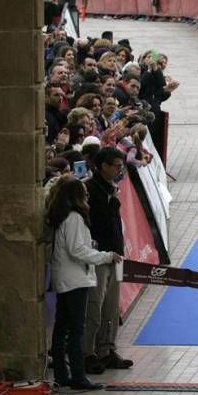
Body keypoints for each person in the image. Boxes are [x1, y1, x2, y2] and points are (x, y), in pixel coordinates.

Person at [47, 175, 122, 390]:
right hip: (75, 280)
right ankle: (78, 376)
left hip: (67, 278)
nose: (87, 195)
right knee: (76, 329)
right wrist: (105, 256)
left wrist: (91, 246)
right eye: (84, 192)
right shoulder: (74, 218)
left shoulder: (65, 217)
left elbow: (76, 245)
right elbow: (77, 250)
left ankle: (63, 374)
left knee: (62, 328)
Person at [83, 146, 134, 374]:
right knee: (95, 306)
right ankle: (88, 352)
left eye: (121, 165)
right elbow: (97, 223)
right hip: (100, 256)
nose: (120, 169)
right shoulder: (90, 189)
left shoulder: (111, 188)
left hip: (116, 255)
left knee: (112, 307)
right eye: (116, 166)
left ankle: (107, 348)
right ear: (102, 166)